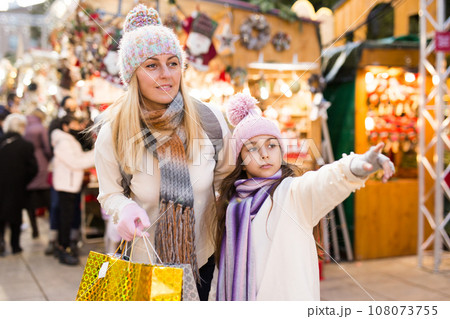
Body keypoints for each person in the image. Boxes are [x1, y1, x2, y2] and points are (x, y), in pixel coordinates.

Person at [93, 4, 232, 300]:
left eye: (173, 63)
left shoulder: (209, 120)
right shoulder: (114, 131)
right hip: (146, 261)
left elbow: (227, 179)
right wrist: (124, 208)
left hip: (201, 256)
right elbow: (109, 193)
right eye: (152, 65)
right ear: (133, 74)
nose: (165, 75)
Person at [213, 93, 395, 301]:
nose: (264, 154)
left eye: (271, 145)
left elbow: (323, 181)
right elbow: (221, 269)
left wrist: (356, 167)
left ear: (281, 150)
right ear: (240, 159)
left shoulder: (293, 193)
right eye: (252, 148)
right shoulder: (231, 205)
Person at [51, 115, 95, 265]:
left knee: (67, 217)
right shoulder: (63, 142)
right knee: (65, 218)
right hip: (66, 185)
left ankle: (65, 246)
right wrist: (97, 154)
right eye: (74, 124)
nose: (78, 127)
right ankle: (64, 248)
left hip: (69, 184)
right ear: (65, 126)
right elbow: (76, 162)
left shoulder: (67, 140)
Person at [0, 114, 38, 255]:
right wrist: (24, 179)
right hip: (17, 186)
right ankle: (15, 245)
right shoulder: (25, 145)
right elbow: (34, 169)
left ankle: (1, 241)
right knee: (15, 215)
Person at [24, 108, 52, 238]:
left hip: (27, 162)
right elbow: (47, 147)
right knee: (47, 199)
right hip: (40, 162)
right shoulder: (40, 128)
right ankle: (52, 228)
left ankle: (34, 229)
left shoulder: (25, 125)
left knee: (30, 202)